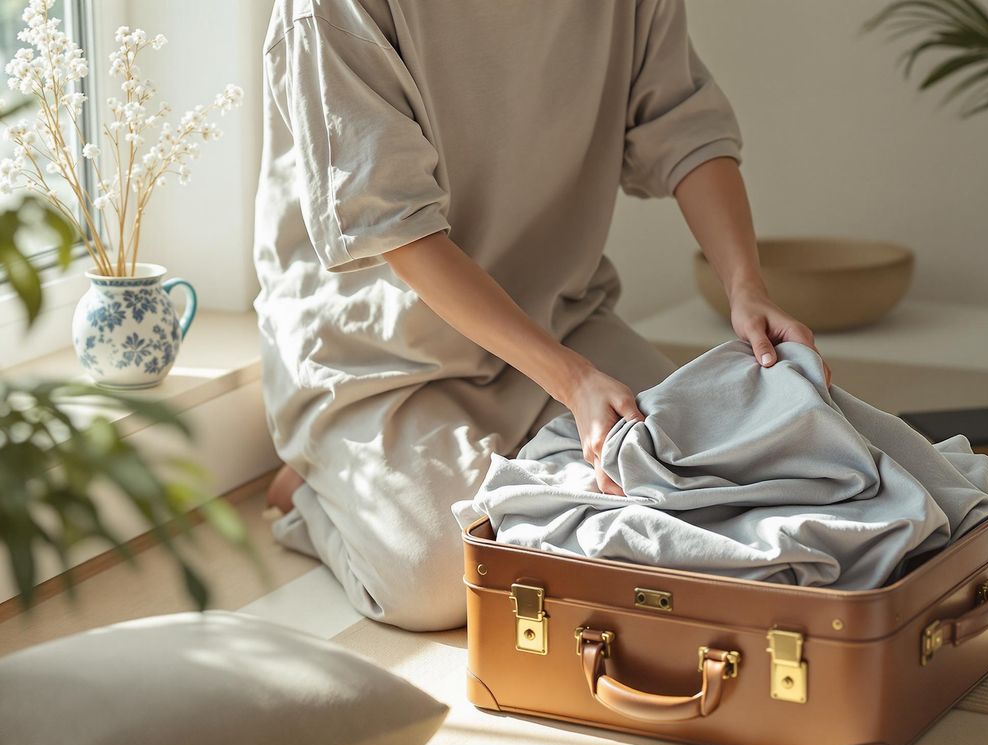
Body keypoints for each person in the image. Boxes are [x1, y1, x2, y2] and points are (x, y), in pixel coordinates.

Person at [254, 0, 831, 631]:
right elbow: (390, 224)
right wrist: (573, 381)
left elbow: (683, 126)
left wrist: (745, 287)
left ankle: (484, 461)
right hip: (378, 359)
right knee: (442, 578)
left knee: (715, 486)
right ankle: (315, 491)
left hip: (563, 320)